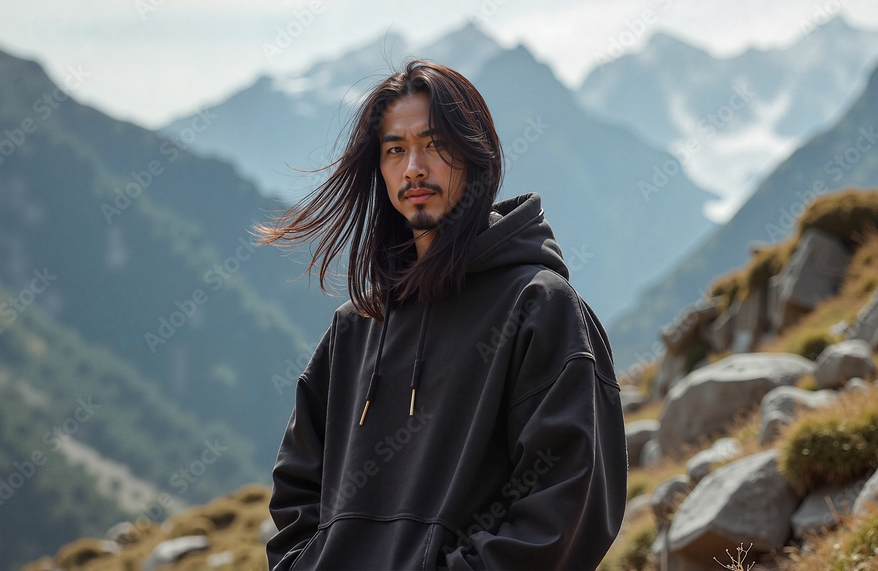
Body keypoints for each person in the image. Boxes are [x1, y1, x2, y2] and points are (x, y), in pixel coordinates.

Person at [256, 60, 627, 570]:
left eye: (434, 145)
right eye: (395, 150)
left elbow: (566, 507)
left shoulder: (539, 308)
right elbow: (296, 487)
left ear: (477, 157)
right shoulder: (355, 326)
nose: (414, 168)